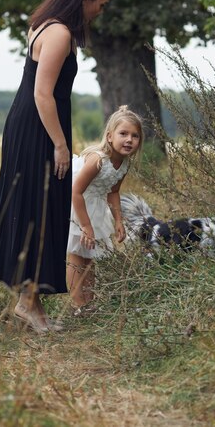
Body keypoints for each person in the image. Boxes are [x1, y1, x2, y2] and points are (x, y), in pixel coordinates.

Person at [0, 0, 116, 333]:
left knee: (35, 209)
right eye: (100, 4)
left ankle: (29, 304)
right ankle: (28, 305)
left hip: (32, 124)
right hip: (39, 128)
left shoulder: (43, 24)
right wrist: (60, 144)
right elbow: (43, 94)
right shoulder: (57, 33)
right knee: (39, 210)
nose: (100, 12)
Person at [66, 105, 144, 313]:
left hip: (96, 206)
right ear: (110, 137)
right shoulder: (98, 160)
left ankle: (88, 303)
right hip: (77, 205)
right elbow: (76, 192)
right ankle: (78, 306)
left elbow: (113, 192)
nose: (129, 140)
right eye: (123, 134)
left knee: (90, 257)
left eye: (135, 136)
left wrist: (118, 220)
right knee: (76, 256)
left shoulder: (125, 164)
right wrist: (85, 226)